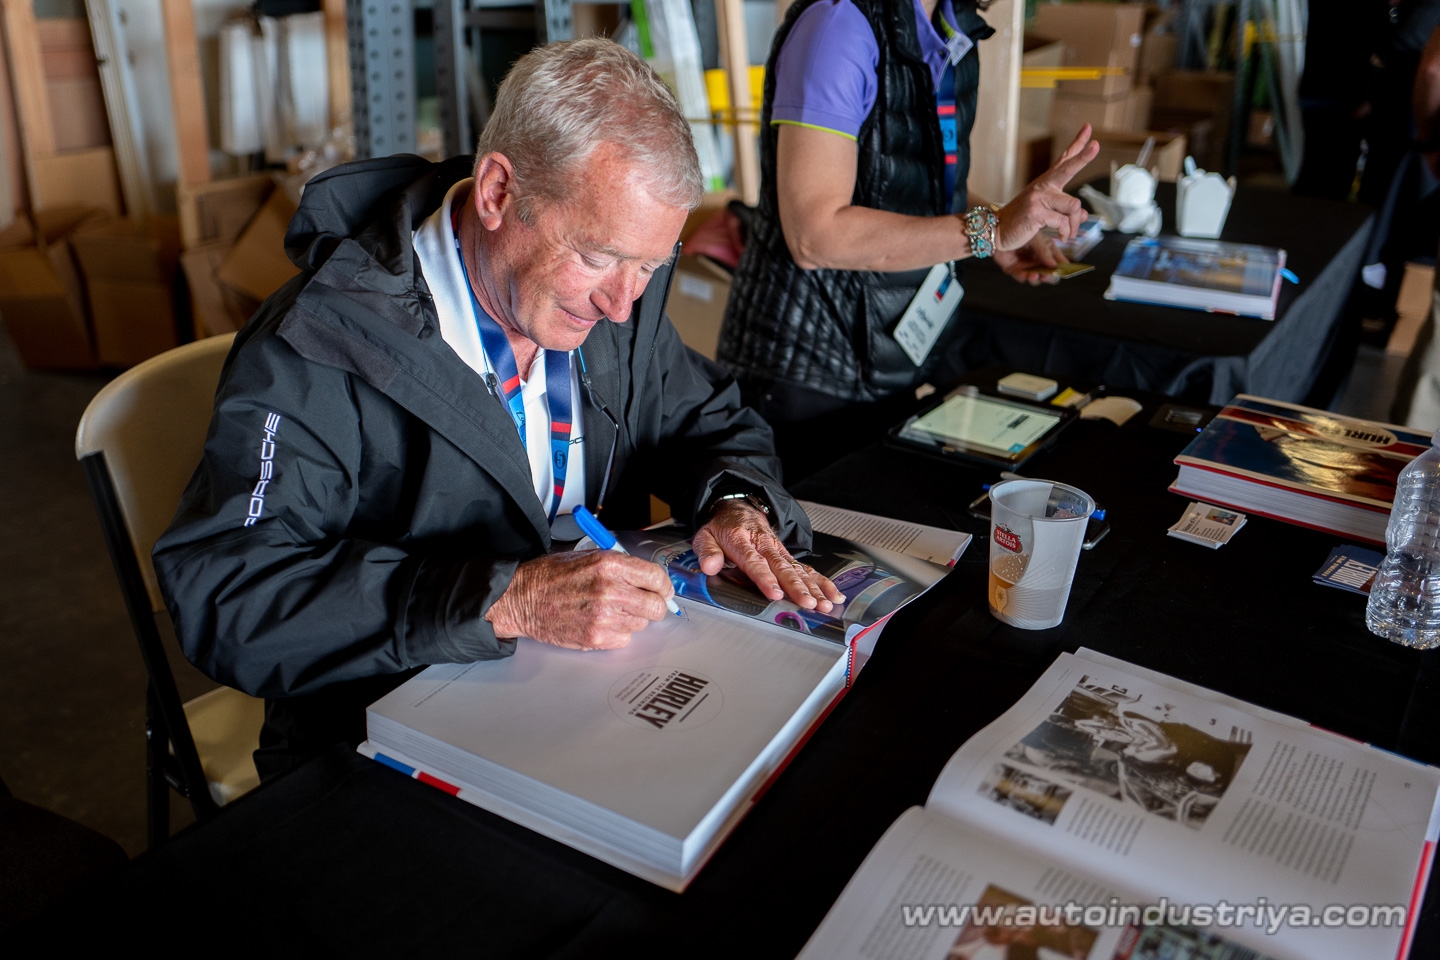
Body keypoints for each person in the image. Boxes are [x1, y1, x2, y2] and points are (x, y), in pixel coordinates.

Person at [153, 38, 843, 780]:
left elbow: (705, 418)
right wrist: (504, 601)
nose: (621, 305)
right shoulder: (320, 342)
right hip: (377, 734)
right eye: (600, 256)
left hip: (585, 698)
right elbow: (229, 594)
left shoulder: (611, 302)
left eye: (651, 265)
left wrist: (736, 501)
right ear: (497, 193)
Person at [717, 0, 1098, 479]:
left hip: (890, 351)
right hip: (809, 371)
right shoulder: (838, 26)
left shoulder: (947, 26)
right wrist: (989, 233)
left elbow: (903, 178)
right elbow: (815, 235)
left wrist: (1001, 222)